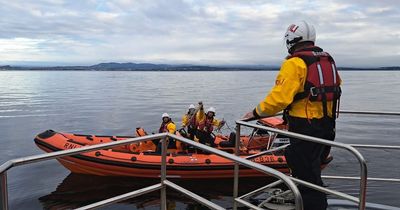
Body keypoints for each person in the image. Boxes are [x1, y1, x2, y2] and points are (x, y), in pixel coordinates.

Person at [243, 20, 341, 210]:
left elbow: (279, 99)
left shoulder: (295, 63)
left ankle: (312, 206)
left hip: (305, 127)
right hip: (328, 126)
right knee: (312, 172)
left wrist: (255, 113)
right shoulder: (327, 60)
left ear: (290, 40)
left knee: (307, 177)